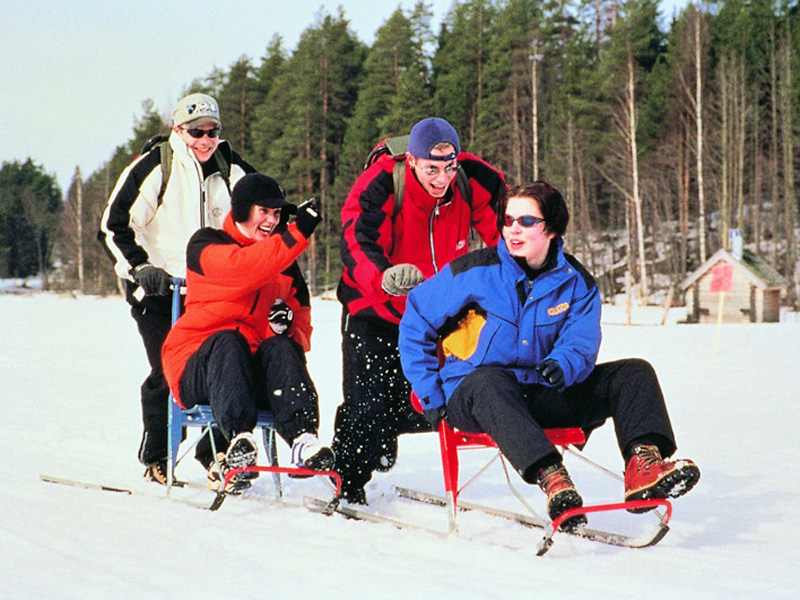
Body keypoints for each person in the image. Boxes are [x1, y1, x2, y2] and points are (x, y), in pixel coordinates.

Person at [399, 181, 700, 531]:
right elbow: (415, 319)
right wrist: (429, 395)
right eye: (508, 220)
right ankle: (552, 477)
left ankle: (643, 467)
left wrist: (564, 364)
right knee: (490, 379)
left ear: (552, 228)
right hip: (475, 396)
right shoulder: (475, 271)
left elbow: (580, 341)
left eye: (526, 221)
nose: (513, 229)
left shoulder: (576, 282)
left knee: (633, 373)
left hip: (540, 393)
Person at [334, 117, 506, 504]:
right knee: (369, 401)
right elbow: (355, 236)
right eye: (432, 169)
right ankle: (347, 482)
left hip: (436, 312)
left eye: (449, 167)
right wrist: (382, 277)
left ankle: (380, 436)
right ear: (411, 161)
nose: (442, 178)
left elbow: (508, 229)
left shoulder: (472, 177)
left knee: (433, 397)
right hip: (375, 309)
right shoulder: (382, 181)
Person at [98, 92, 256, 484]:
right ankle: (157, 455)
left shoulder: (231, 168)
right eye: (196, 132)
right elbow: (114, 225)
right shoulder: (156, 165)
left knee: (229, 366)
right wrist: (140, 268)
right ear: (177, 130)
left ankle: (215, 453)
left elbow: (264, 209)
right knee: (168, 370)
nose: (204, 141)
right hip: (158, 292)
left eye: (212, 132)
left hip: (212, 292)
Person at [161, 173, 333, 492]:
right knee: (229, 340)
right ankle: (239, 440)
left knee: (282, 348)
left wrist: (283, 326)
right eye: (264, 211)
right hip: (197, 365)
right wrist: (297, 233)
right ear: (241, 210)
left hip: (248, 374)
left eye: (278, 214)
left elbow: (302, 328)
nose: (272, 221)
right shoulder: (205, 244)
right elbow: (243, 269)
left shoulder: (282, 259)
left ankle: (303, 439)